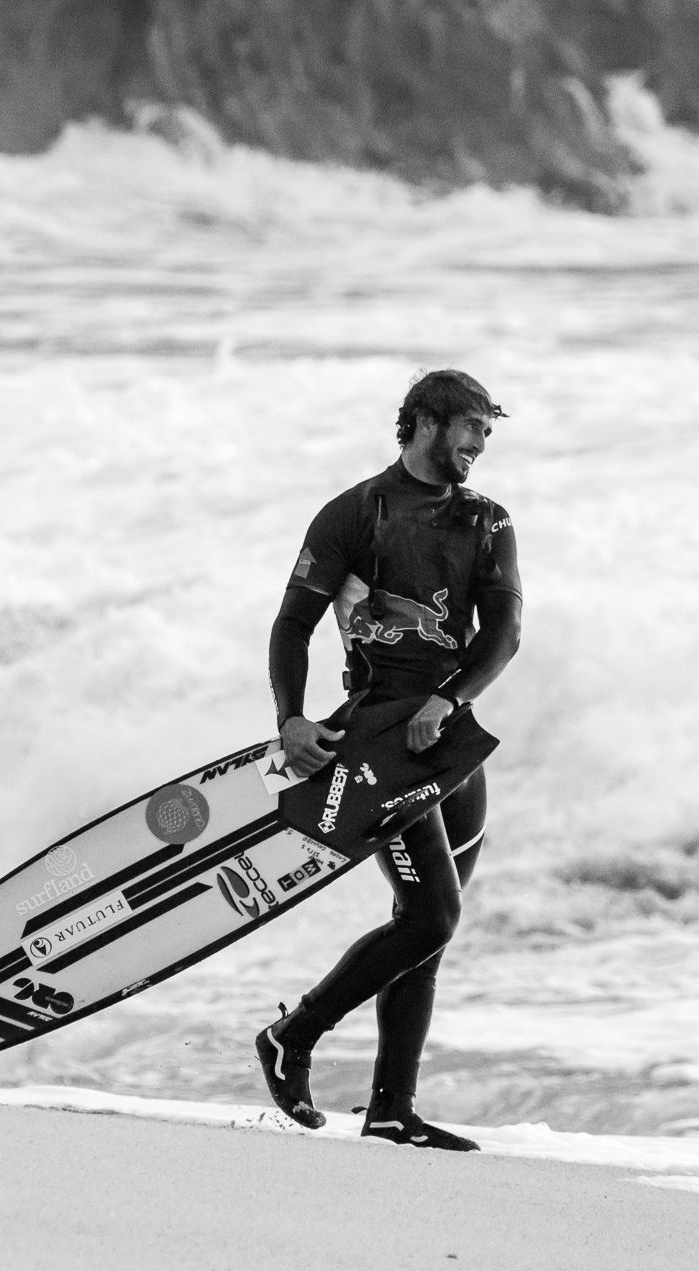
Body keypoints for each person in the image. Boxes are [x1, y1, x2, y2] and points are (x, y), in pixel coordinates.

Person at [256, 369, 523, 1151]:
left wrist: (450, 698)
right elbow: (290, 626)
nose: (478, 445)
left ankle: (391, 1110)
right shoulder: (354, 513)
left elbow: (502, 632)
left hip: (447, 742)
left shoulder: (488, 520)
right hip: (379, 740)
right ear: (424, 422)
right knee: (431, 912)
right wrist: (291, 721)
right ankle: (292, 1035)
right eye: (471, 427)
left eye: (486, 433)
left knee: (426, 931)